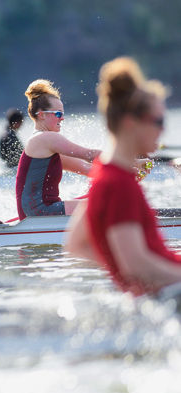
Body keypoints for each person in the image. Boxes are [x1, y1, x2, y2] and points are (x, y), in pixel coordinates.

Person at [65, 57, 181, 297]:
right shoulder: (119, 184)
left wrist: (121, 272)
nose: (163, 130)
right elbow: (135, 266)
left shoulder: (103, 174)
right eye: (158, 121)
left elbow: (76, 244)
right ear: (130, 123)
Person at [15, 79, 102, 220]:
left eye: (62, 114)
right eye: (58, 114)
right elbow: (89, 154)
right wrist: (132, 161)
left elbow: (87, 168)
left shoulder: (46, 147)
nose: (62, 119)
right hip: (39, 212)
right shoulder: (46, 138)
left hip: (40, 211)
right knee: (106, 205)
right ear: (41, 114)